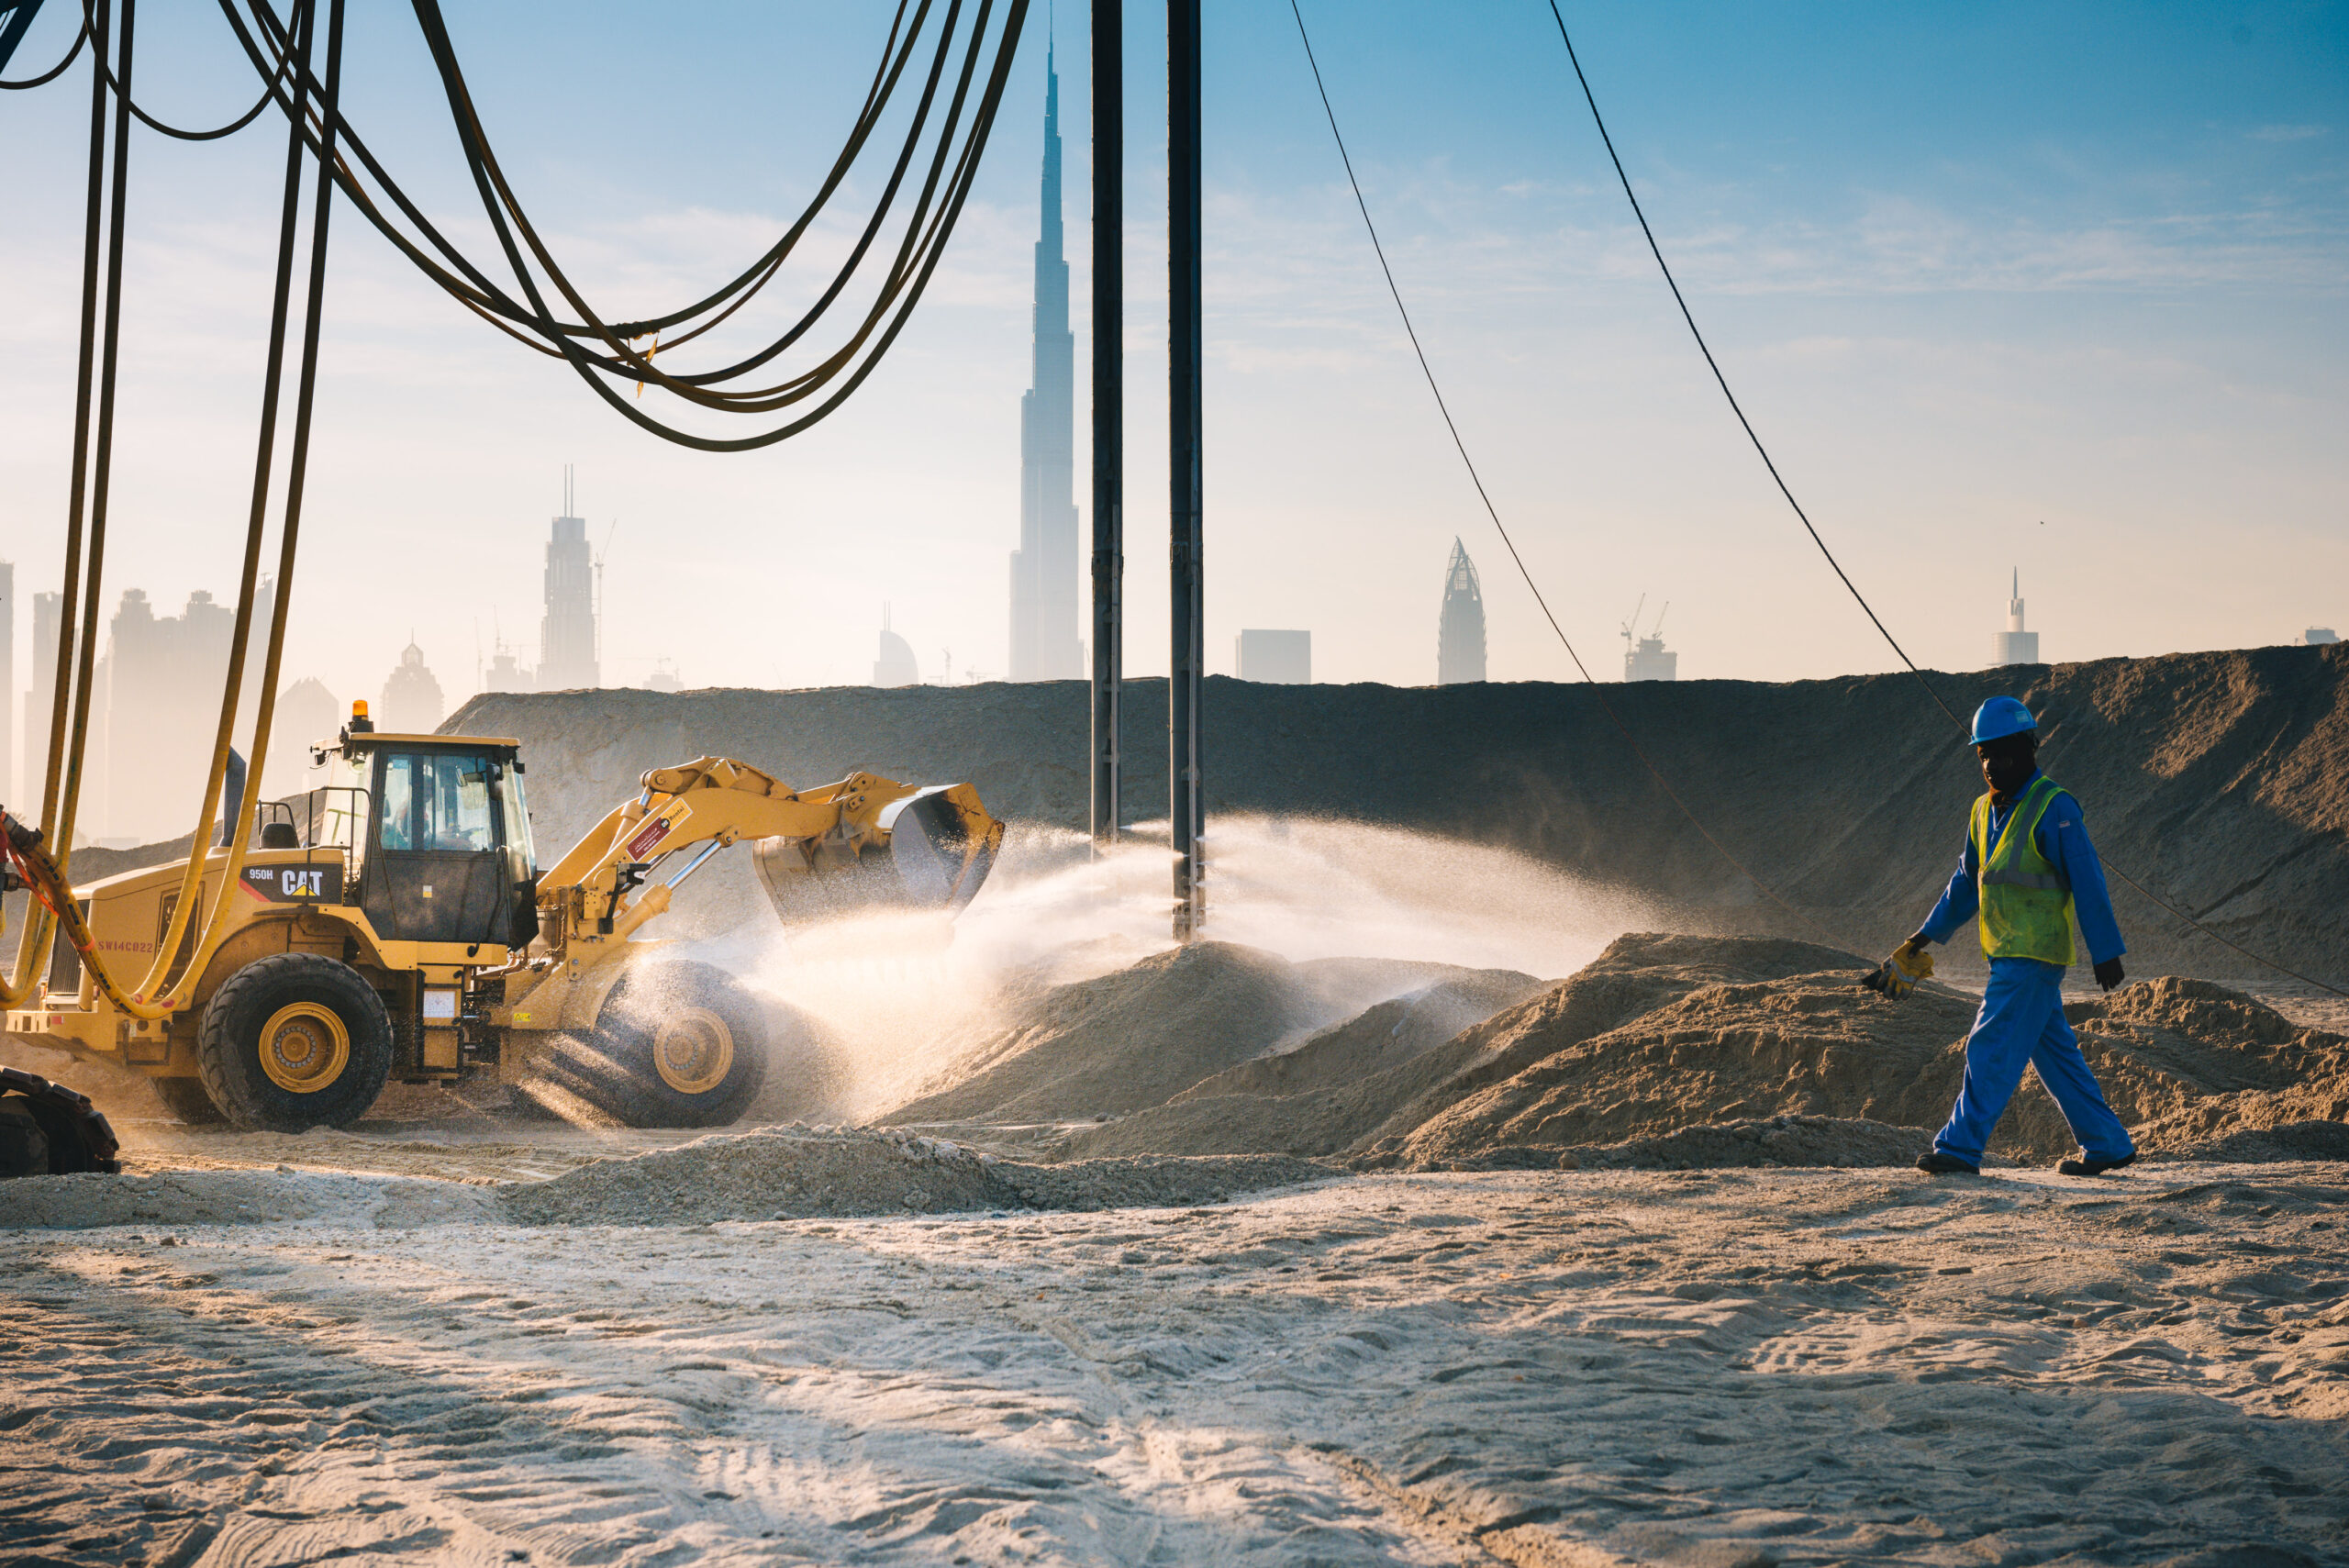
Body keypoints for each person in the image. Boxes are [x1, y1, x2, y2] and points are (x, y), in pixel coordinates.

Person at [1877, 695, 2136, 1178]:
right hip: (2005, 956)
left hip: (2033, 956)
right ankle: (2108, 1145)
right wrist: (1921, 939)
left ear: (2028, 749)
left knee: (1989, 1045)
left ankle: (1959, 1148)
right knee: (2055, 1056)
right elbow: (1964, 885)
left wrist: (2106, 951)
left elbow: (2088, 880)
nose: (1993, 765)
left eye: (2003, 753)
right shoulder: (1981, 812)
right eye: (1984, 756)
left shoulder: (2055, 808)